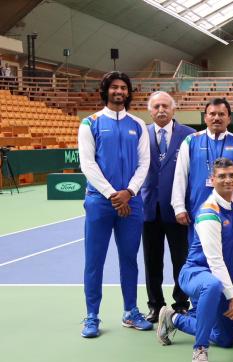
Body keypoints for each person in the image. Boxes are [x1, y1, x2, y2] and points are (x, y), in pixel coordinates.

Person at [78, 71, 151, 338]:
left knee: (129, 259)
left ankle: (130, 311)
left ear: (128, 93)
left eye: (123, 88)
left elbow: (145, 163)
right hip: (99, 202)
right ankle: (92, 315)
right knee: (94, 261)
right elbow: (88, 164)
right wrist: (112, 194)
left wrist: (129, 192)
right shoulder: (90, 123)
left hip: (131, 203)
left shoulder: (138, 124)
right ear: (106, 91)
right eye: (114, 87)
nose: (119, 92)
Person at [157, 158, 233, 362]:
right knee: (213, 285)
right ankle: (200, 350)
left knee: (225, 339)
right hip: (197, 274)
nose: (228, 180)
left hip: (220, 279)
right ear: (212, 180)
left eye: (232, 175)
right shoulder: (208, 213)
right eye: (222, 176)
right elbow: (215, 262)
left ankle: (174, 318)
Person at [141, 91, 195, 322]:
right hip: (149, 209)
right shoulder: (140, 134)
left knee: (181, 260)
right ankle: (155, 305)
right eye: (156, 106)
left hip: (178, 210)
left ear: (174, 109)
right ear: (150, 111)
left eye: (165, 106)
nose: (161, 110)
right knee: (152, 261)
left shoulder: (190, 135)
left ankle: (181, 303)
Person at [171, 97, 233, 238]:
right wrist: (179, 207)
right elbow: (180, 176)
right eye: (212, 114)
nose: (216, 118)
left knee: (230, 253)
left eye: (221, 114)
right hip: (198, 206)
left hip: (231, 208)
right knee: (199, 254)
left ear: (229, 118)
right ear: (205, 118)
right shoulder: (191, 141)